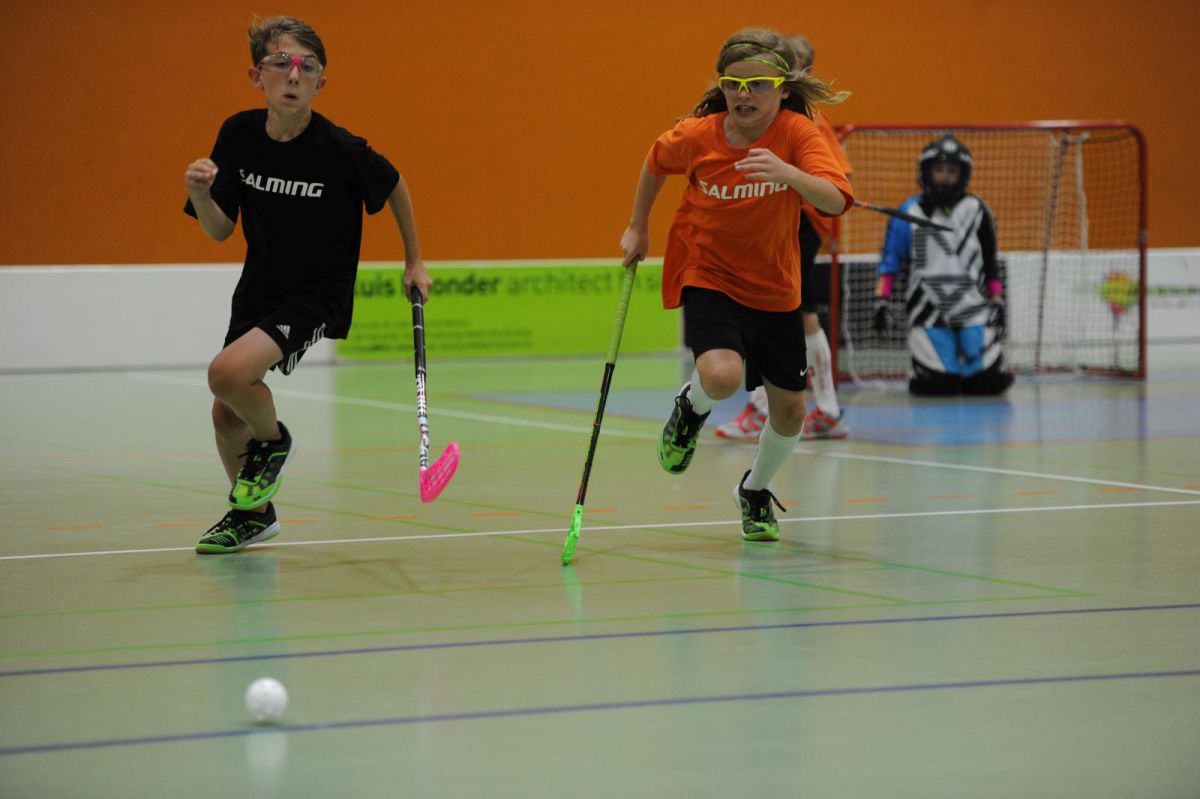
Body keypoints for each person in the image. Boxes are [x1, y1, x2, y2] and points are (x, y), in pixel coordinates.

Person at [183, 15, 431, 554]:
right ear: (257, 76)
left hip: (319, 292)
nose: (294, 75)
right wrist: (201, 195)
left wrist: (414, 261)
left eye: (308, 66)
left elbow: (394, 184)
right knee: (226, 410)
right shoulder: (238, 134)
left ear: (321, 82)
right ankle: (252, 514)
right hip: (259, 288)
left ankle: (274, 442)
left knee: (226, 374)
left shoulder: (338, 149)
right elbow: (220, 230)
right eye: (281, 63)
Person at [620, 28, 854, 541]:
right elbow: (656, 161)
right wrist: (638, 227)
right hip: (710, 272)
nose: (744, 95)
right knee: (722, 375)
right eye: (733, 84)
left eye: (758, 85)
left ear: (783, 89)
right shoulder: (698, 135)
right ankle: (691, 408)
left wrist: (788, 173)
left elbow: (836, 199)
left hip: (776, 287)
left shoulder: (798, 133)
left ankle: (754, 490)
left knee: (791, 412)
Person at [715, 33, 852, 442]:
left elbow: (838, 175)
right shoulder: (763, 116)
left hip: (797, 225)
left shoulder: (804, 120)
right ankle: (823, 409)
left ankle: (774, 408)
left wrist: (795, 179)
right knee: (798, 314)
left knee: (777, 312)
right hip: (780, 223)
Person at [872, 134, 1013, 395]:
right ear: (926, 172)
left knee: (986, 382)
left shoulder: (977, 210)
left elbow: (990, 261)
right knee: (939, 385)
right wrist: (881, 301)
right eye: (939, 170)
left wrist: (997, 298)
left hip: (973, 310)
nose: (945, 177)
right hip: (928, 314)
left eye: (951, 171)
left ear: (962, 175)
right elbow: (890, 261)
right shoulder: (908, 211)